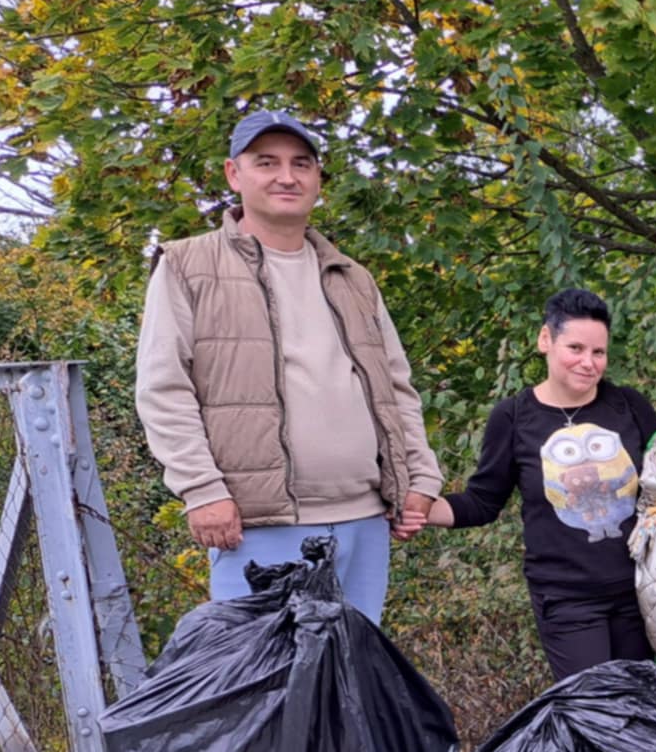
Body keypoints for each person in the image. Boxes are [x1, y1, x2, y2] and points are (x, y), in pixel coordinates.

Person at [136, 109, 441, 622]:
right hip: (259, 526)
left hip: (366, 520)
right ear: (234, 174)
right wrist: (202, 490)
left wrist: (421, 478)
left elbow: (396, 388)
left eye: (301, 163)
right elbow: (163, 389)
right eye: (267, 162)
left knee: (352, 669)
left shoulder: (352, 277)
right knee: (266, 672)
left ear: (318, 178)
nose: (286, 176)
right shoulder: (187, 265)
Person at [423, 288, 656, 680]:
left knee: (640, 706)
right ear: (545, 340)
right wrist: (420, 509)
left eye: (598, 352)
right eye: (576, 348)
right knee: (592, 705)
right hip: (566, 600)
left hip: (639, 592)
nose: (588, 362)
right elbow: (482, 502)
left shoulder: (629, 406)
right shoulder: (513, 417)